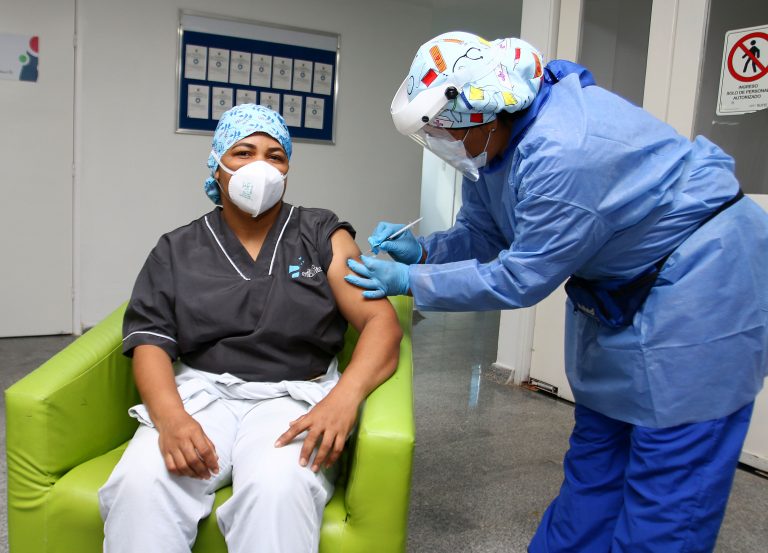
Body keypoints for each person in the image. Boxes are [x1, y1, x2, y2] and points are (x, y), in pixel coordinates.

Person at [345, 31, 768, 552]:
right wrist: (427, 252)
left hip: (705, 279)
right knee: (597, 457)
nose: (438, 141)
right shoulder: (493, 144)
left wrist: (411, 282)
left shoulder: (563, 149)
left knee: (670, 481)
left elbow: (521, 276)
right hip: (624, 283)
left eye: (438, 129)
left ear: (478, 111)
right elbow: (485, 234)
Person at [98, 104, 402, 553]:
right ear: (218, 167)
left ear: (287, 170)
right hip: (202, 395)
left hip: (295, 397)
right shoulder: (176, 248)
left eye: (275, 156)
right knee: (141, 485)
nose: (260, 165)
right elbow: (150, 342)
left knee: (278, 490)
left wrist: (344, 399)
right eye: (244, 152)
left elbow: (381, 322)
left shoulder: (321, 232)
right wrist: (171, 418)